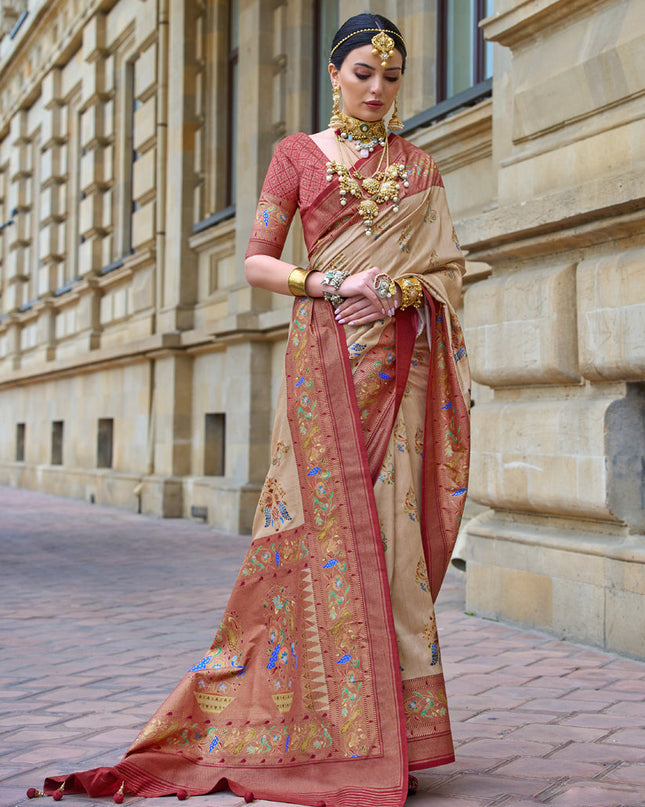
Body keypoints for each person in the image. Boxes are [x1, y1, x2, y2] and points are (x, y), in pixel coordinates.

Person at [35, 12, 470, 807]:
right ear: (334, 75)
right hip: (324, 366)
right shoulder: (297, 157)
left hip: (399, 369)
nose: (378, 88)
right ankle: (302, 722)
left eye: (392, 76)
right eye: (363, 73)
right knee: (314, 536)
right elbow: (257, 262)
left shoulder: (421, 168)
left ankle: (388, 731)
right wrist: (336, 284)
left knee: (391, 536)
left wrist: (401, 288)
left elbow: (445, 269)